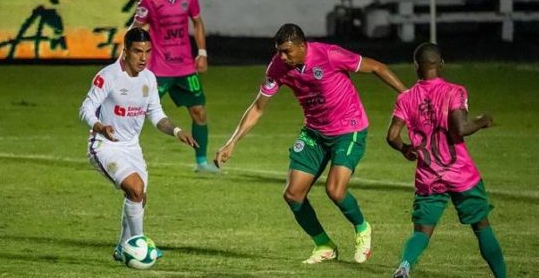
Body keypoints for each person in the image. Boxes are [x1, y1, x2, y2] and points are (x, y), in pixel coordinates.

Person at [215, 23, 407, 264]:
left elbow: (377, 67)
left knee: (335, 190)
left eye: (287, 51)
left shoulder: (329, 55)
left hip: (349, 129)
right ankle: (324, 245)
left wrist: (407, 94)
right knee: (293, 194)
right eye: (279, 51)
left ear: (303, 45)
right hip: (315, 132)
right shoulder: (277, 67)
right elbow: (257, 108)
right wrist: (232, 142)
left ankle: (362, 228)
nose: (282, 57)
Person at [386, 42, 506, 278]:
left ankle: (405, 266)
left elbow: (391, 136)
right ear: (441, 64)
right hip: (461, 173)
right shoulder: (455, 91)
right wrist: (483, 121)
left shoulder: (406, 98)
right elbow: (460, 129)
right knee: (481, 226)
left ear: (416, 66)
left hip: (428, 174)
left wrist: (405, 149)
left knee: (422, 232)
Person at [79, 28, 198, 261]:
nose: (143, 58)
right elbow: (85, 108)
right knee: (134, 187)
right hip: (104, 144)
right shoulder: (109, 75)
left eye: (147, 52)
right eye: (137, 52)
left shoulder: (149, 79)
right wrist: (100, 126)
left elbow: (156, 114)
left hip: (132, 147)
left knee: (140, 196)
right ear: (125, 51)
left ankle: (123, 248)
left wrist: (176, 130)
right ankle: (140, 245)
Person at [130, 0, 218, 173]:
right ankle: (124, 154)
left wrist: (202, 53)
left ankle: (201, 163)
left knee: (199, 112)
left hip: (185, 67)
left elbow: (197, 23)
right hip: (158, 69)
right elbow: (136, 28)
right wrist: (131, 55)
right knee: (137, 111)